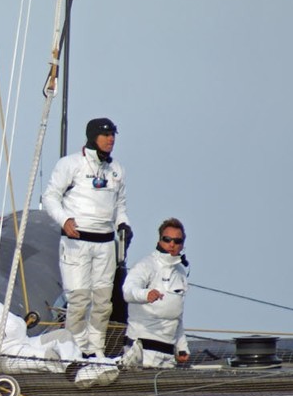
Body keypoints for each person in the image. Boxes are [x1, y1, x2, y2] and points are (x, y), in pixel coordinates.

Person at [42, 117, 132, 359]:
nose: (111, 139)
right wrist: (64, 220)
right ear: (93, 136)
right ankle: (75, 351)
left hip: (105, 243)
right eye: (105, 134)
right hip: (77, 241)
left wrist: (124, 224)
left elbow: (119, 205)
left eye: (113, 134)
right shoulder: (70, 164)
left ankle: (96, 350)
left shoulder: (117, 170)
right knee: (79, 301)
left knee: (103, 303)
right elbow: (50, 196)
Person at [122, 218, 191, 368]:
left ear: (182, 245)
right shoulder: (146, 265)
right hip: (142, 353)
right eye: (167, 239)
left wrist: (182, 347)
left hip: (167, 355)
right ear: (160, 240)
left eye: (177, 241)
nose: (172, 244)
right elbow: (127, 291)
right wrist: (145, 294)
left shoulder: (180, 273)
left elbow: (176, 315)